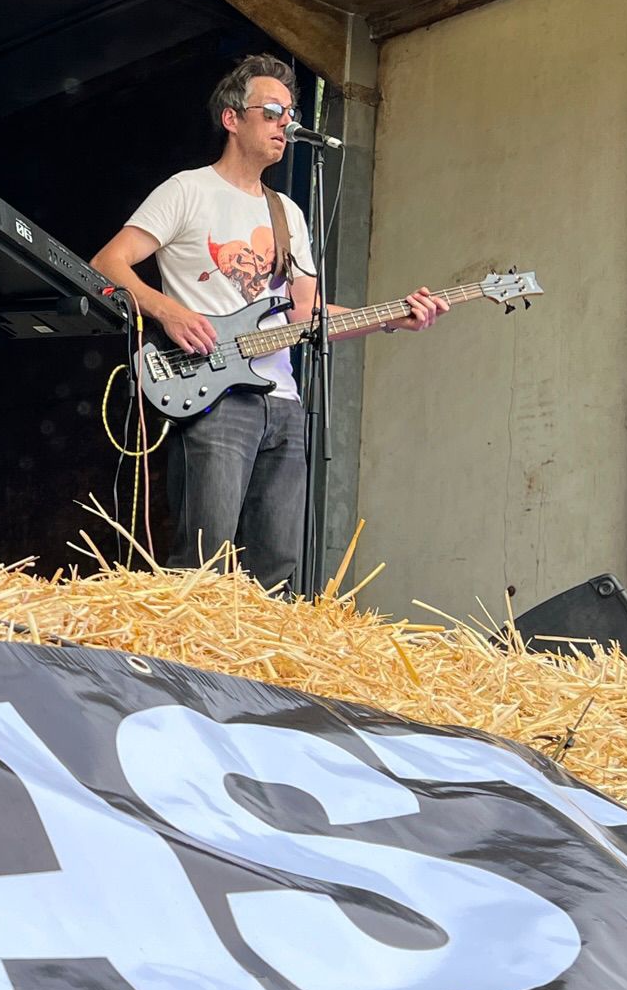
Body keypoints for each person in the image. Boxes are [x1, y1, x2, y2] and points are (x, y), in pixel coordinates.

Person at [90, 54, 447, 591]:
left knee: (278, 565)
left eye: (291, 113)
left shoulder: (287, 213)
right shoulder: (187, 190)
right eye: (273, 112)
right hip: (213, 391)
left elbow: (307, 312)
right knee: (205, 559)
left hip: (282, 401)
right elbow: (107, 263)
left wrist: (392, 318)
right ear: (232, 119)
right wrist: (166, 309)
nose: (286, 124)